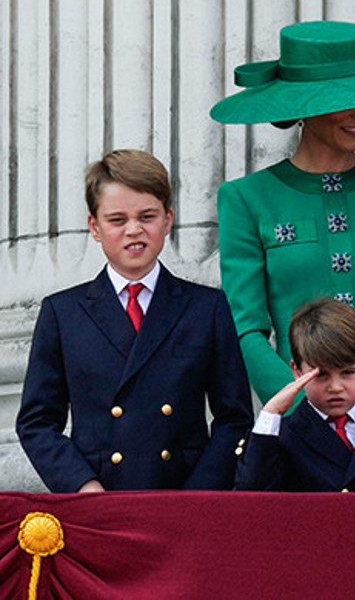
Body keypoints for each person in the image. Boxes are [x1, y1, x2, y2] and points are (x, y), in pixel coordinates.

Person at [211, 21, 355, 487]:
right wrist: (303, 422)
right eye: (343, 99)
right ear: (302, 107)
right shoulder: (246, 198)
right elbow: (248, 329)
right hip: (297, 444)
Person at [16, 149, 254, 492]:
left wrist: (200, 493)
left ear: (168, 220)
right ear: (94, 227)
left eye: (147, 216)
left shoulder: (207, 307)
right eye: (117, 220)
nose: (134, 230)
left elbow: (235, 418)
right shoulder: (62, 313)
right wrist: (81, 485)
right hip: (101, 499)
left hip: (185, 497)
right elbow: (37, 422)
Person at [235, 298, 355, 492]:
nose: (335, 387)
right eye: (321, 374)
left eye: (348, 372)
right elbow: (250, 499)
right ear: (297, 371)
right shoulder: (281, 438)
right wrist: (270, 414)